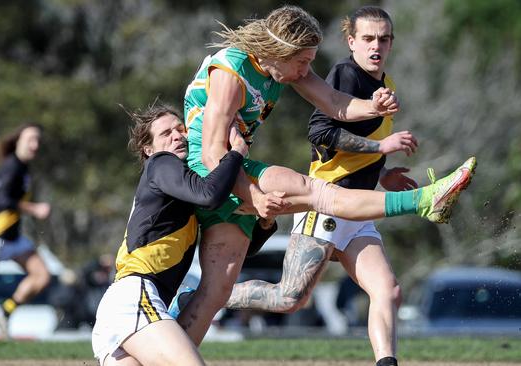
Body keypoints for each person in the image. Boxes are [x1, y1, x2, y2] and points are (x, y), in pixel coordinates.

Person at [176, 4, 477, 347]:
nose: (307, 70)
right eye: (302, 61)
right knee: (316, 192)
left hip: (229, 172)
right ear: (281, 51)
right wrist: (255, 196)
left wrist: (372, 108)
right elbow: (210, 154)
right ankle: (424, 199)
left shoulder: (281, 65)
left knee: (215, 294)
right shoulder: (232, 71)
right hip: (211, 171)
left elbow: (334, 101)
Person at [224, 7, 418, 366]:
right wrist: (380, 147)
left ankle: (387, 362)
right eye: (368, 38)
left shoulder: (385, 86)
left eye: (384, 38)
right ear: (351, 42)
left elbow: (361, 147)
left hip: (359, 210)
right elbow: (320, 132)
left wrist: (383, 171)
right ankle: (209, 294)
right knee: (289, 298)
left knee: (388, 290)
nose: (377, 46)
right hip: (328, 202)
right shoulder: (346, 73)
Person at [90, 103, 274, 366]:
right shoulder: (160, 163)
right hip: (135, 297)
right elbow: (209, 195)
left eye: (180, 129)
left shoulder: (179, 197)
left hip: (124, 308)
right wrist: (235, 154)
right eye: (166, 133)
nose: (178, 135)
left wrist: (264, 224)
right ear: (148, 150)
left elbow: (234, 248)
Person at [0, 123, 52, 339]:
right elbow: (2, 201)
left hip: (13, 238)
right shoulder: (12, 166)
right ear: (18, 141)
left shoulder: (22, 167)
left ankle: (4, 312)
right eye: (30, 139)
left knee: (42, 276)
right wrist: (34, 208)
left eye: (37, 139)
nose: (35, 144)